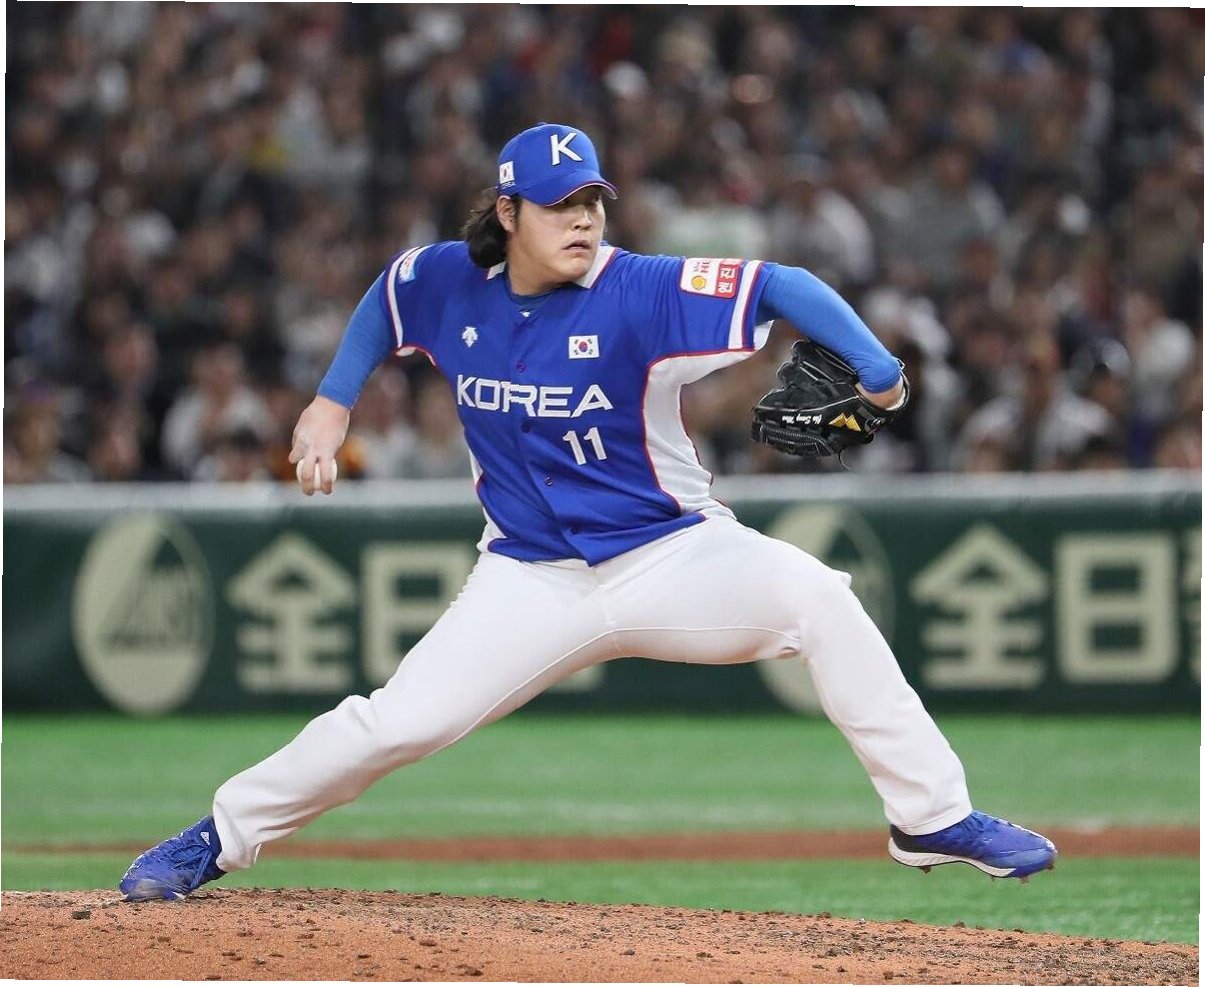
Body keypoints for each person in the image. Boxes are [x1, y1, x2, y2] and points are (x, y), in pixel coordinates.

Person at [119, 123, 1056, 901]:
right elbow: (389, 295)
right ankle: (217, 836)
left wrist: (882, 373)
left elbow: (783, 286)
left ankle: (929, 816)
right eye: (559, 204)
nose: (581, 219)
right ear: (508, 214)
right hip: (529, 576)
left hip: (672, 556)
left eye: (592, 201)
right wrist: (333, 399)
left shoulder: (639, 290)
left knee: (821, 600)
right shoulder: (448, 281)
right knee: (395, 724)